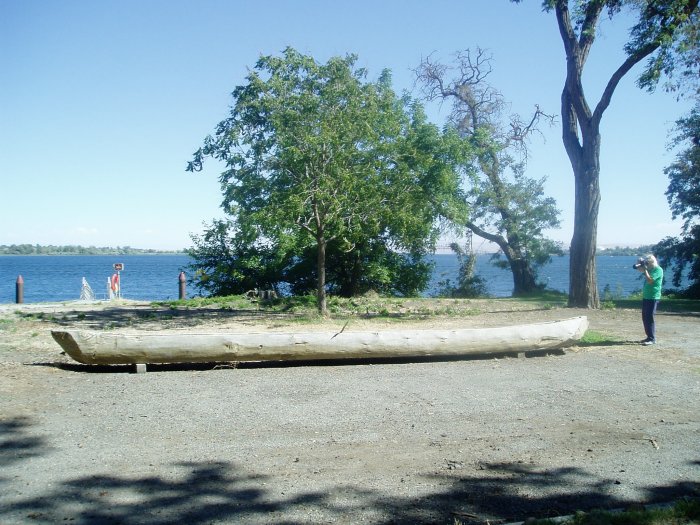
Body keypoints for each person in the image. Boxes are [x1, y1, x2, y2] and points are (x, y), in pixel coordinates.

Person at [637, 254, 663, 345]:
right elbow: (639, 269)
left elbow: (650, 280)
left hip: (653, 297)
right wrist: (639, 263)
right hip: (646, 296)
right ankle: (648, 337)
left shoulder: (658, 270)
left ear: (652, 262)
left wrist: (645, 270)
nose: (647, 265)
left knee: (649, 317)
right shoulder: (650, 269)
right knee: (645, 317)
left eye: (648, 263)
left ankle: (652, 338)